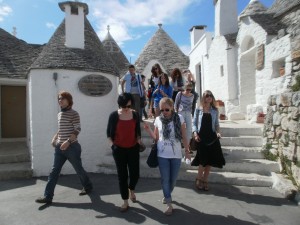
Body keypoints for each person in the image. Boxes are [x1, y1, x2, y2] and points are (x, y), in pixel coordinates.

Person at [35, 91, 93, 204]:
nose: (60, 100)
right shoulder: (59, 114)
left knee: (78, 169)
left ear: (69, 100)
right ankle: (48, 196)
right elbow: (61, 129)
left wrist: (67, 141)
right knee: (54, 171)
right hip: (59, 148)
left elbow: (77, 129)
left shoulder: (74, 113)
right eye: (59, 99)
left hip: (72, 147)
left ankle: (88, 186)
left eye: (62, 98)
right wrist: (54, 138)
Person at [144, 97, 191, 216]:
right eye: (162, 110)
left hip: (176, 155)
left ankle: (167, 194)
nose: (164, 112)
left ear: (172, 108)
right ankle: (169, 203)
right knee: (165, 179)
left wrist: (187, 151)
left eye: (167, 109)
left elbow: (184, 137)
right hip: (162, 155)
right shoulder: (158, 120)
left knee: (173, 180)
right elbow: (156, 138)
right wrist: (149, 131)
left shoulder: (179, 118)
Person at [106, 93, 142, 212]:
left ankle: (131, 189)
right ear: (120, 105)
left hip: (133, 149)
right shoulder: (114, 116)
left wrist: (139, 141)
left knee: (135, 174)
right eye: (123, 106)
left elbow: (138, 132)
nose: (126, 109)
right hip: (119, 150)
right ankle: (125, 201)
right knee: (122, 176)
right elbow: (108, 134)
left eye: (128, 106)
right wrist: (113, 147)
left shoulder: (135, 114)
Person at [191, 90, 225, 191]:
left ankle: (205, 180)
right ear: (204, 98)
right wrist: (195, 134)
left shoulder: (215, 110)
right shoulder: (198, 110)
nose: (209, 97)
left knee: (209, 161)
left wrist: (218, 132)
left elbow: (216, 124)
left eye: (210, 96)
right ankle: (198, 179)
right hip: (201, 138)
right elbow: (194, 124)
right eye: (206, 96)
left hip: (212, 138)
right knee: (202, 161)